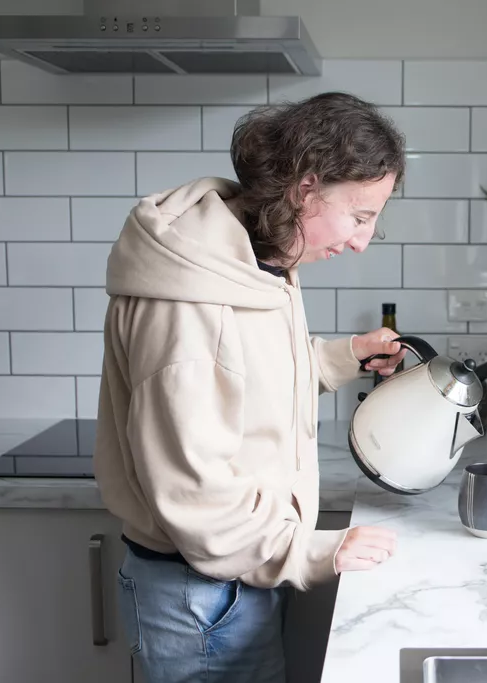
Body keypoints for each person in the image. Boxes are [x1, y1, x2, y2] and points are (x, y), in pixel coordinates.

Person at [92, 91, 406, 683]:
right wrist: (312, 552)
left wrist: (344, 359)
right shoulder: (191, 303)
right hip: (200, 596)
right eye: (361, 215)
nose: (364, 239)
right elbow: (196, 492)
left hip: (233, 575)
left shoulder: (248, 256)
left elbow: (241, 382)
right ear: (306, 188)